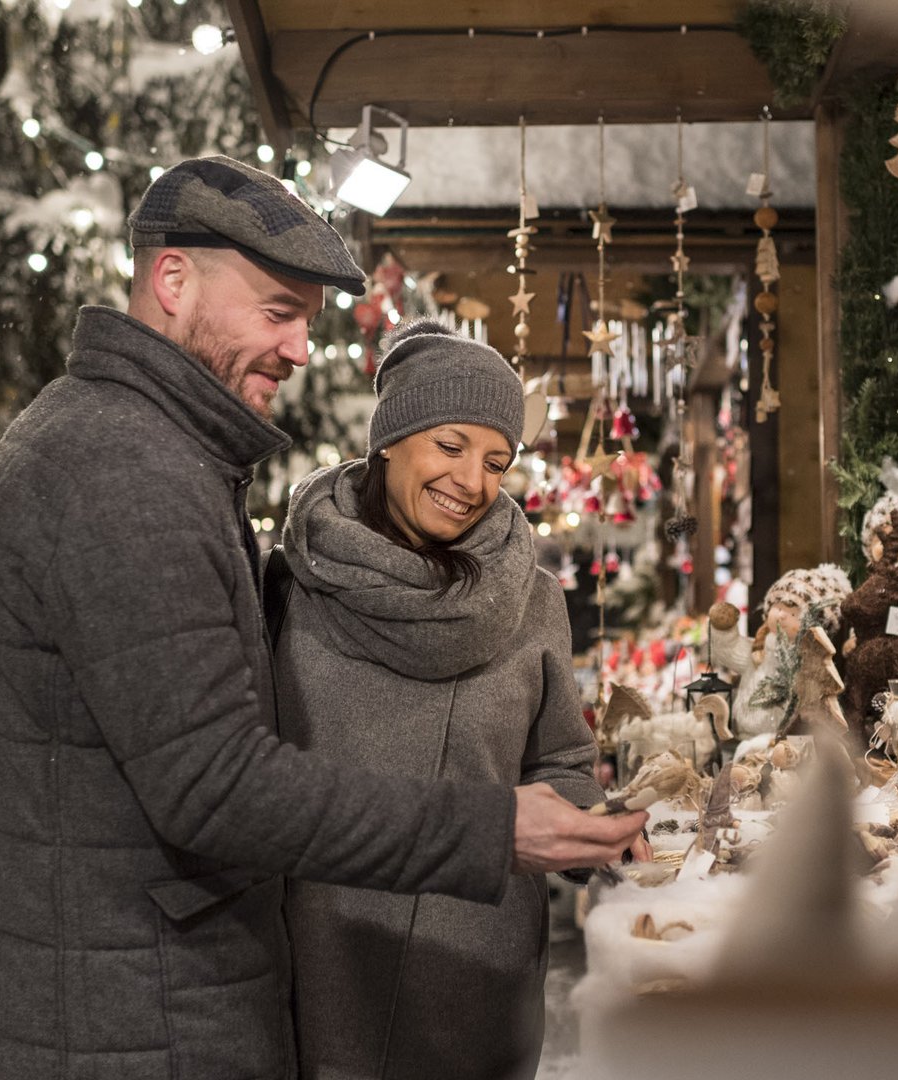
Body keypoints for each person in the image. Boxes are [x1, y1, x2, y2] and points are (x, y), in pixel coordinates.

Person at [0, 156, 644, 1080]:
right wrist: (491, 831)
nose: (297, 350)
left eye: (306, 323)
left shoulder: (142, 450)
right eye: (278, 312)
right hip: (125, 1020)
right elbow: (215, 786)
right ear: (172, 279)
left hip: (122, 995)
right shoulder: (122, 473)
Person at [271, 322, 638, 1079]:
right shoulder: (288, 587)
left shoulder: (530, 599)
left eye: (496, 461)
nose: (472, 481)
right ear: (389, 441)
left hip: (475, 972)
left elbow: (559, 758)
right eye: (450, 445)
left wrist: (592, 829)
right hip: (319, 966)